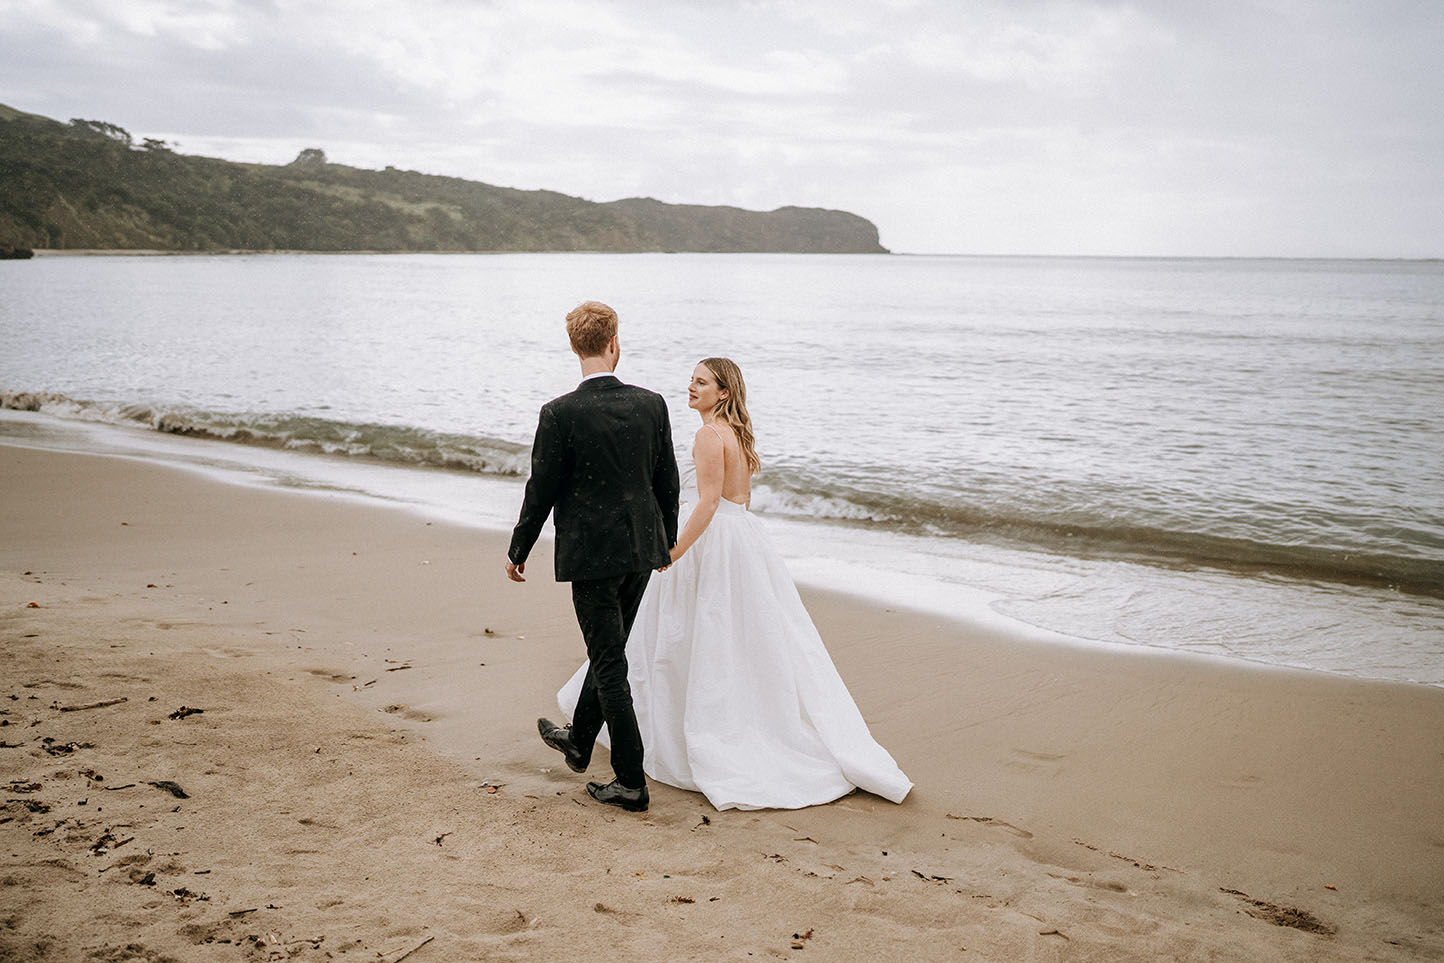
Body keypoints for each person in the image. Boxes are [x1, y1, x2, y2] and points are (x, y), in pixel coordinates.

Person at [557, 358, 912, 811]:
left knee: (677, 636)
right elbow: (734, 500)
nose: (691, 387)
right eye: (692, 379)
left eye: (701, 382)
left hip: (709, 541)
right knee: (733, 639)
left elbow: (706, 503)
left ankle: (642, 734)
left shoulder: (708, 435)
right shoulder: (738, 434)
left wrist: (673, 551)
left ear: (723, 392)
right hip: (742, 538)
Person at [506, 300, 680, 813]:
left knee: (609, 664)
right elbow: (665, 480)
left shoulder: (559, 414)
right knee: (610, 653)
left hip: (593, 556)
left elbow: (542, 488)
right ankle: (580, 740)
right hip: (640, 550)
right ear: (614, 343)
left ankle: (630, 781)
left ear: (575, 347)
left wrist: (520, 547)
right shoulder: (652, 404)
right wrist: (665, 542)